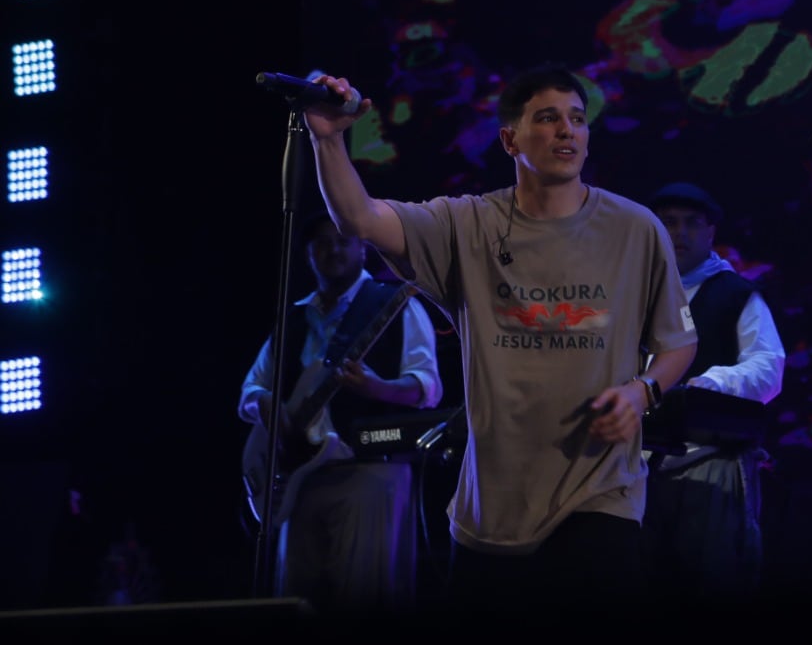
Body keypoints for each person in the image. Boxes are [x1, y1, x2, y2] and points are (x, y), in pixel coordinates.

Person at [300, 63, 699, 609]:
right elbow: (360, 220)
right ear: (510, 139)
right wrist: (328, 139)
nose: (568, 131)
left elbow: (678, 342)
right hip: (492, 512)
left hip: (602, 494)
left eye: (578, 120)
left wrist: (642, 392)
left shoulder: (636, 228)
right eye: (549, 118)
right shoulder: (467, 225)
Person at [238, 214, 445, 613]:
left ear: (362, 247)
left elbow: (427, 388)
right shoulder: (293, 318)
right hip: (298, 480)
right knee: (297, 606)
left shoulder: (395, 303)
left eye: (342, 241)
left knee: (360, 607)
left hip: (368, 472)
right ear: (307, 255)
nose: (333, 249)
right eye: (320, 243)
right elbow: (250, 391)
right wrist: (265, 404)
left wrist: (375, 387)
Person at [640, 181, 785, 599]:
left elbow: (767, 367)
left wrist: (711, 384)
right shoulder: (631, 293)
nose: (680, 233)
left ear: (710, 234)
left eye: (691, 224)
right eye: (668, 223)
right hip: (635, 463)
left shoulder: (735, 294)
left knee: (709, 581)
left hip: (709, 461)